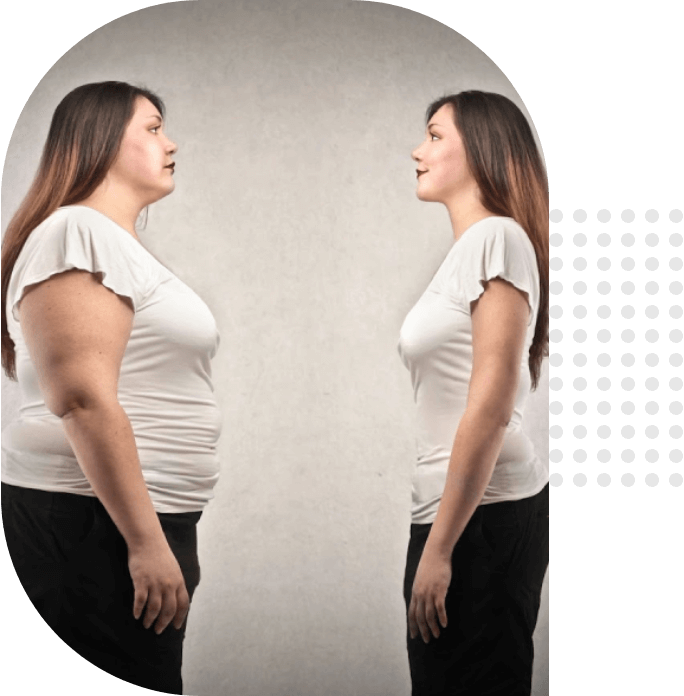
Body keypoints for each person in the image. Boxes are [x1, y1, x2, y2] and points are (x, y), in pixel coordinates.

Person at [0, 81, 222, 694]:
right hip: (94, 525)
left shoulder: (112, 243)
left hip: (122, 521)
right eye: (152, 128)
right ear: (98, 140)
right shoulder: (76, 232)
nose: (170, 142)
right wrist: (146, 541)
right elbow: (81, 398)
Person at [398, 90, 549, 696]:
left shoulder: (500, 240)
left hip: (479, 522)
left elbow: (488, 407)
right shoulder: (473, 250)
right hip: (458, 515)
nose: (418, 150)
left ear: (483, 150)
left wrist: (439, 551)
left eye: (435, 135)